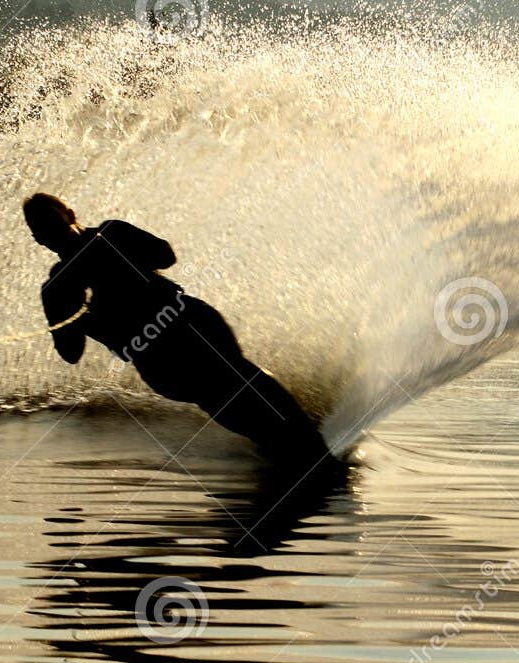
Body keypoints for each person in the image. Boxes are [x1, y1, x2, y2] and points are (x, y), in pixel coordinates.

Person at [23, 193, 332, 464]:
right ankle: (281, 448)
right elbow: (71, 354)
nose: (52, 233)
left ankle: (308, 438)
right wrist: (78, 315)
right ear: (38, 240)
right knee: (217, 398)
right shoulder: (56, 289)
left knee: (237, 374)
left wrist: (121, 250)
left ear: (70, 215)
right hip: (152, 356)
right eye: (43, 230)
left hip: (185, 319)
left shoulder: (112, 232)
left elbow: (166, 256)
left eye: (54, 222)